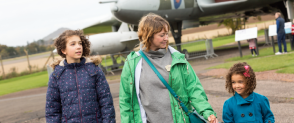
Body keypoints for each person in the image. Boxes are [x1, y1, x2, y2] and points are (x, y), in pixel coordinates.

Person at [119, 13, 218, 123]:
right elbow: (125, 101)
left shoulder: (177, 58)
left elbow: (194, 89)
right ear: (148, 35)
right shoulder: (132, 63)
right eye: (162, 35)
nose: (166, 38)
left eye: (167, 34)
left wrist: (207, 112)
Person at [45, 30, 115, 123]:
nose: (78, 47)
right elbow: (52, 110)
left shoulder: (94, 70)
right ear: (63, 50)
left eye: (80, 43)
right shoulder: (57, 75)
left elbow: (106, 102)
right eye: (73, 44)